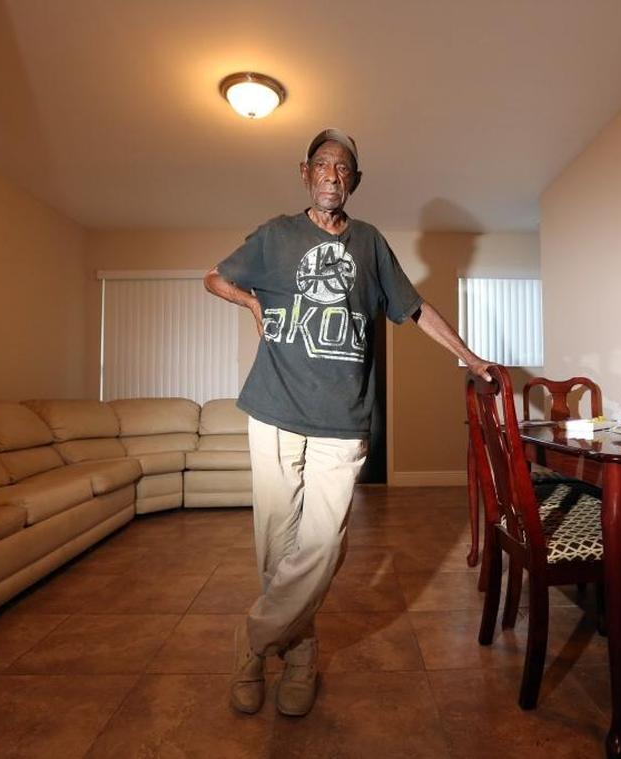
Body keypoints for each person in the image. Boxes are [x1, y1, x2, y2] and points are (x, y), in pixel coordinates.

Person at [204, 128, 491, 717]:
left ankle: (253, 642)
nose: (333, 174)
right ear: (305, 172)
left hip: (343, 419)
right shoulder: (276, 235)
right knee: (275, 545)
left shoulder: (370, 243)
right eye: (323, 165)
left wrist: (469, 355)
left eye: (344, 168)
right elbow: (215, 277)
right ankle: (300, 653)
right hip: (274, 410)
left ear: (354, 182)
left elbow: (415, 309)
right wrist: (255, 303)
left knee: (323, 546)